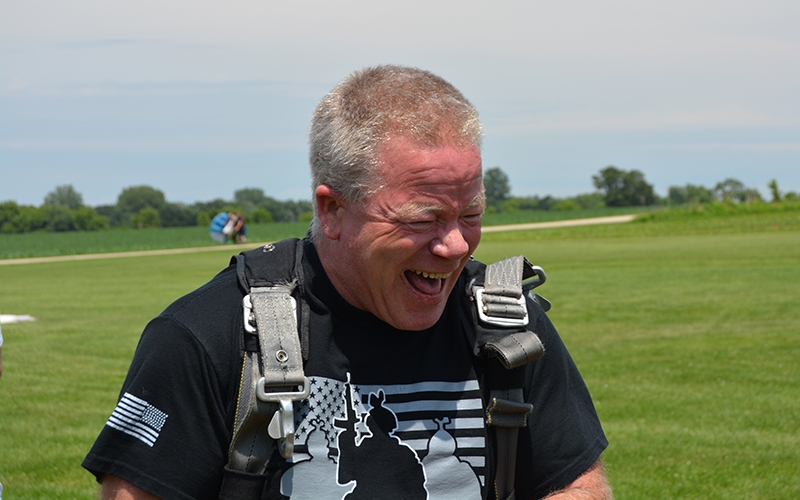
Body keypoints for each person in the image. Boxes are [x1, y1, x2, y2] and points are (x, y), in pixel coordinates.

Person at [83, 65, 611, 499]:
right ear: (332, 209)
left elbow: (575, 484)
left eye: (470, 214)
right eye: (422, 218)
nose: (454, 246)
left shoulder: (508, 327)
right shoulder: (209, 335)